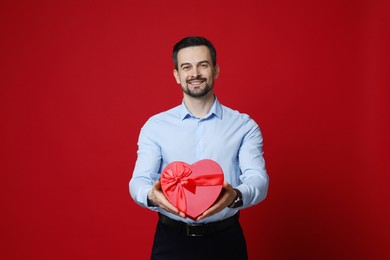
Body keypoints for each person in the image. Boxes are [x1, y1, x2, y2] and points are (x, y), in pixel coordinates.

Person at [129, 36, 269, 260]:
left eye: (203, 65)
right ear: (177, 75)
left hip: (226, 241)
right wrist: (152, 196)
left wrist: (236, 195)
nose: (195, 74)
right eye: (186, 67)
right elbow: (139, 180)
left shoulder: (244, 126)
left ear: (215, 70)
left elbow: (258, 179)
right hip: (171, 241)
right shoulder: (155, 126)